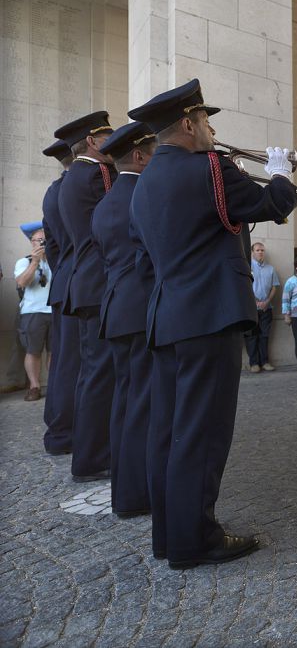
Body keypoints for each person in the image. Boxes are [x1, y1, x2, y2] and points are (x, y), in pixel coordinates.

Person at [128, 78, 297, 568]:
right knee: (203, 432)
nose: (210, 129)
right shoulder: (210, 167)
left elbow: (146, 263)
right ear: (188, 122)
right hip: (209, 315)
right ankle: (195, 540)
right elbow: (272, 204)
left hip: (166, 319)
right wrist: (281, 172)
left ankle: (170, 535)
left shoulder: (142, 187)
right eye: (206, 120)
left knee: (169, 431)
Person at [91, 122, 157, 517]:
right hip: (140, 309)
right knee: (144, 406)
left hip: (115, 309)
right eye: (152, 152)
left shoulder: (105, 202)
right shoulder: (142, 196)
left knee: (124, 404)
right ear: (138, 156)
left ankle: (125, 492)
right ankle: (138, 495)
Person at [53, 111, 117, 483]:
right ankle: (92, 458)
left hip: (87, 282)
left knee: (92, 374)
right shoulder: (97, 174)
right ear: (93, 141)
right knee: (99, 375)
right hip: (98, 283)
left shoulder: (74, 177)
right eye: (109, 136)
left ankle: (91, 451)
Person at [39, 140, 79, 454]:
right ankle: (64, 432)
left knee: (64, 362)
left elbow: (52, 246)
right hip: (81, 284)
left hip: (64, 281)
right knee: (73, 362)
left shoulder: (53, 191)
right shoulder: (79, 187)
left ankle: (59, 428)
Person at [14, 224, 52, 403]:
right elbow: (22, 282)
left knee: (55, 351)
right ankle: (34, 386)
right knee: (33, 351)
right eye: (40, 240)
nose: (43, 243)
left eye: (46, 240)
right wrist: (35, 262)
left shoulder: (56, 261)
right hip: (32, 312)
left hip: (55, 311)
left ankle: (54, 385)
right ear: (32, 242)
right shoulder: (24, 261)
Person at [246, 243, 280, 373]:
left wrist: (267, 301)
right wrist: (255, 301)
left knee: (264, 336)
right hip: (251, 308)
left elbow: (274, 287)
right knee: (251, 336)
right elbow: (245, 286)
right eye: (257, 250)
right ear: (252, 252)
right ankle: (254, 363)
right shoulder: (247, 267)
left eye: (262, 250)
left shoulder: (270, 269)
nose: (260, 252)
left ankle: (265, 362)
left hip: (267, 308)